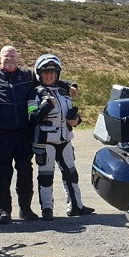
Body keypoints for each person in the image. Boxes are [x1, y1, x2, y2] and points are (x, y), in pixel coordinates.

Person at [0, 45, 76, 224]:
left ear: (18, 59)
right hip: (2, 135)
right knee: (3, 175)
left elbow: (49, 78)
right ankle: (4, 211)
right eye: (6, 56)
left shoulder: (27, 76)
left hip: (24, 134)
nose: (10, 58)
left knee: (25, 173)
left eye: (13, 55)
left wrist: (69, 85)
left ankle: (25, 209)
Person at [28, 54, 92, 219]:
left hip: (65, 140)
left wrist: (76, 120)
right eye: (45, 72)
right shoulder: (34, 93)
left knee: (71, 174)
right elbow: (31, 117)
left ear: (58, 73)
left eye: (53, 72)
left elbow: (71, 117)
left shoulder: (64, 91)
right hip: (45, 142)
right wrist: (45, 107)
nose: (49, 75)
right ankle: (47, 209)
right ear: (39, 73)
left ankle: (76, 206)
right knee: (46, 175)